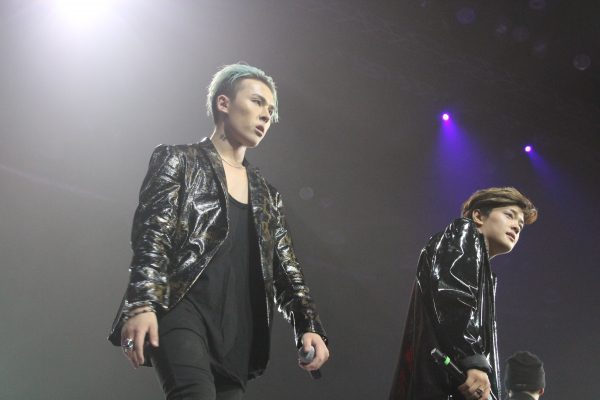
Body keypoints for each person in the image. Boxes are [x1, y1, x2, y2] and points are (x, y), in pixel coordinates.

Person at [107, 63, 329, 400]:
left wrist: (308, 325)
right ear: (223, 103)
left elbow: (287, 269)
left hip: (236, 332)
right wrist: (141, 304)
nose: (266, 115)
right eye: (257, 101)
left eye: (270, 110)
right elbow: (153, 235)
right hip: (180, 308)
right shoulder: (179, 161)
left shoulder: (268, 196)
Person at [389, 187, 538, 400]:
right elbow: (453, 297)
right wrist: (473, 360)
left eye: (521, 225)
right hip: (444, 387)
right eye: (509, 215)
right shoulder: (464, 233)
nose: (516, 226)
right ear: (478, 216)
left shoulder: (484, 272)